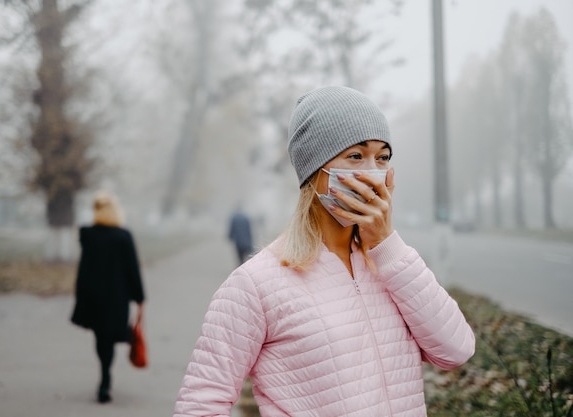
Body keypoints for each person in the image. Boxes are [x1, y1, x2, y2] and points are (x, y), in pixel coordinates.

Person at [173, 86, 475, 416]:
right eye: (356, 156)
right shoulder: (255, 285)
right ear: (315, 171)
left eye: (383, 157)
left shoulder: (392, 266)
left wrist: (386, 246)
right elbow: (200, 405)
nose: (372, 172)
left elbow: (455, 350)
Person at [70, 191, 145, 404]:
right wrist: (139, 297)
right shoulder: (123, 236)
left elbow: (83, 268)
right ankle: (105, 378)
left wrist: (80, 294)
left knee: (102, 338)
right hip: (116, 298)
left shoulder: (89, 236)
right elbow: (132, 269)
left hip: (94, 297)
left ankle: (104, 378)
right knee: (111, 336)